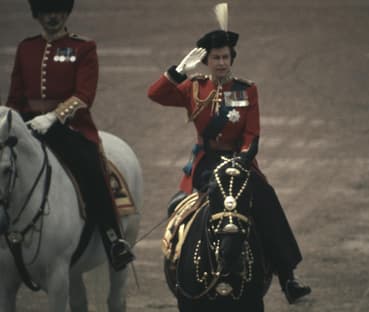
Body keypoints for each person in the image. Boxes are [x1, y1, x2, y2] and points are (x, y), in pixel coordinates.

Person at [148, 3, 311, 304]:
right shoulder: (193, 88)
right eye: (215, 58)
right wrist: (177, 71)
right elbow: (155, 94)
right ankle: (177, 268)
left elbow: (252, 135)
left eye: (225, 57)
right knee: (179, 210)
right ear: (206, 61)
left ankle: (287, 276)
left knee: (267, 203)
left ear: (231, 59)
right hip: (206, 162)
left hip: (240, 161)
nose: (221, 63)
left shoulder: (247, 90)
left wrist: (243, 160)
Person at [5, 0, 134, 271]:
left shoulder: (82, 47)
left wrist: (54, 117)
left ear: (66, 12)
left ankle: (113, 239)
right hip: (29, 128)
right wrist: (14, 124)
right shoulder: (26, 48)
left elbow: (84, 95)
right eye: (46, 11)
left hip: (70, 128)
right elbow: (15, 97)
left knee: (91, 168)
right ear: (37, 14)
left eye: (57, 11)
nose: (52, 17)